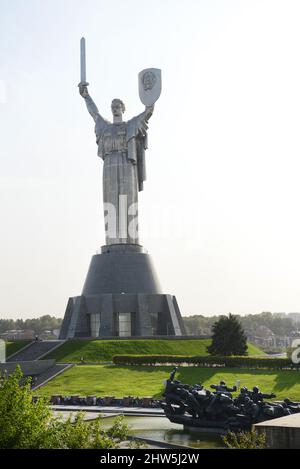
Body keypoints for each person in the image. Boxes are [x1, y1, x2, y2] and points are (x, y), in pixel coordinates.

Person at [78, 82, 154, 245]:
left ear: (123, 108)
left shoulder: (131, 125)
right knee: (111, 201)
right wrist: (86, 96)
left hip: (127, 163)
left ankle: (130, 241)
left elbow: (147, 113)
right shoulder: (105, 127)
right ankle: (113, 241)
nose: (115, 108)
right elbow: (94, 113)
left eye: (118, 105)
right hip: (110, 164)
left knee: (128, 200)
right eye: (113, 106)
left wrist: (151, 98)